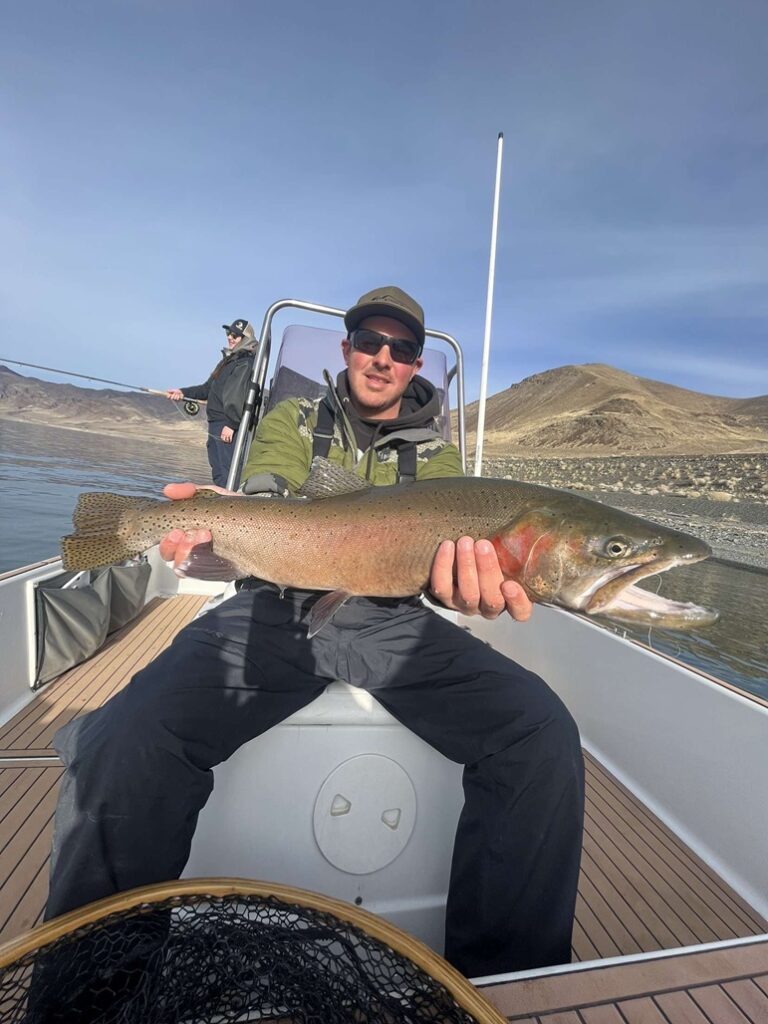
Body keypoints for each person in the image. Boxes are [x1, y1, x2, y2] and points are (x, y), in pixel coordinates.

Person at [46, 286, 585, 980]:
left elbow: (456, 570)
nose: (384, 358)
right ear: (347, 347)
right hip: (275, 607)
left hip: (393, 623)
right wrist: (225, 527)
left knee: (540, 731)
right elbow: (266, 503)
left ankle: (507, 985)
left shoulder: (444, 465)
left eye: (403, 349)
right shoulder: (292, 419)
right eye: (370, 341)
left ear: (418, 364)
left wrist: (471, 585)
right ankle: (86, 992)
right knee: (124, 735)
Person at [167, 317, 257, 487]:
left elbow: (239, 395)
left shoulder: (245, 363)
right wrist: (182, 392)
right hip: (216, 424)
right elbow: (207, 389)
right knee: (218, 471)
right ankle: (222, 505)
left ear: (245, 339)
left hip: (227, 425)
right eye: (229, 333)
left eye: (235, 336)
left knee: (228, 473)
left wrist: (231, 424)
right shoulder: (227, 362)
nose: (230, 337)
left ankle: (231, 507)